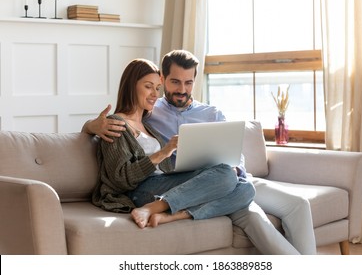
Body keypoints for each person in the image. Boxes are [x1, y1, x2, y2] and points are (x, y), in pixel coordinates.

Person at [83, 50, 317, 254]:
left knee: (252, 188)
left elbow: (235, 153)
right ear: (165, 79)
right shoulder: (152, 112)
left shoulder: (207, 114)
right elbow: (118, 149)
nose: (181, 90)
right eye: (174, 82)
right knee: (239, 194)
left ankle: (172, 214)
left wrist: (236, 168)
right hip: (177, 182)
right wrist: (91, 126)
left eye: (188, 83)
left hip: (222, 176)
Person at [91, 58, 255, 229]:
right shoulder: (115, 124)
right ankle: (152, 207)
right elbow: (120, 180)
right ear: (131, 86)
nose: (155, 94)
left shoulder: (147, 122)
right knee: (226, 175)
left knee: (246, 189)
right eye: (148, 87)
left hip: (163, 181)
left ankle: (172, 216)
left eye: (157, 88)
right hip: (140, 190)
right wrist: (163, 153)